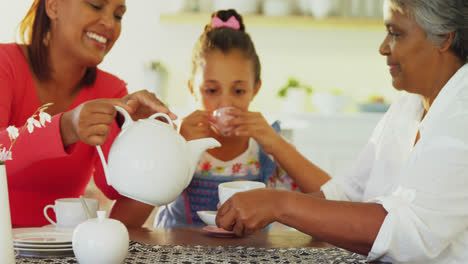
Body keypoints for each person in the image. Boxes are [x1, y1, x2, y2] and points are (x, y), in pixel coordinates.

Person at [216, 0, 468, 263]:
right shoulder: (408, 106)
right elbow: (347, 195)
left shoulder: (462, 117)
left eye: (395, 34)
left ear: (443, 38)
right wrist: (260, 207)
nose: (383, 48)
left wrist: (279, 204)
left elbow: (407, 234)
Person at [110, 9, 331, 228]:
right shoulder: (175, 140)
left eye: (238, 91)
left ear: (256, 88)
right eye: (212, 90)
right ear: (192, 89)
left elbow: (333, 205)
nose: (225, 104)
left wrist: (277, 144)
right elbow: (124, 223)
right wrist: (176, 148)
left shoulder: (267, 149)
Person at [0, 0, 176, 227]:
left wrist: (145, 140)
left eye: (118, 15)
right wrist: (66, 127)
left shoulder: (113, 91)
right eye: (96, 5)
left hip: (63, 256)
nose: (110, 24)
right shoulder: (5, 64)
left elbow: (117, 189)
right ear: (53, 6)